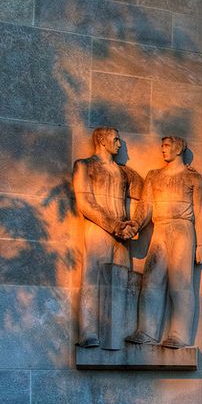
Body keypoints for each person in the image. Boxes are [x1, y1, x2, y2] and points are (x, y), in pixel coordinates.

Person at [126, 136, 202, 348]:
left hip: (182, 228)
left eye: (167, 145)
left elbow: (199, 212)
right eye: (162, 146)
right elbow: (146, 206)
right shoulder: (154, 176)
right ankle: (147, 331)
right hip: (160, 228)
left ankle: (180, 334)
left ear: (178, 149)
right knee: (151, 280)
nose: (163, 149)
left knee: (180, 283)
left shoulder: (193, 178)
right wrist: (135, 225)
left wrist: (200, 245)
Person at [72, 127, 141, 348]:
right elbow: (85, 203)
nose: (119, 145)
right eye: (116, 140)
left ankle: (119, 333)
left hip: (122, 234)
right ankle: (88, 332)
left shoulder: (125, 172)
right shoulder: (85, 165)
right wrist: (113, 225)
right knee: (92, 279)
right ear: (102, 140)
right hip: (99, 229)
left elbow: (150, 191)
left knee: (122, 282)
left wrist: (132, 224)